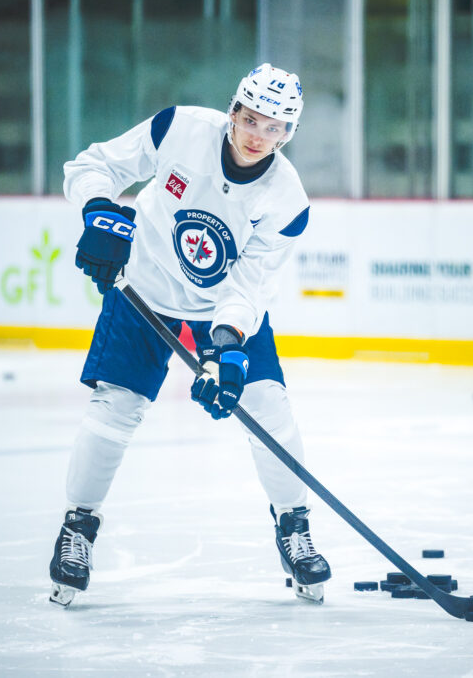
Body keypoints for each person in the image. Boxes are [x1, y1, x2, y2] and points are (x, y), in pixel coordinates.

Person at [48, 63, 331, 607]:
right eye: (251, 119)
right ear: (233, 110)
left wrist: (226, 348)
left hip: (221, 310)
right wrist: (99, 212)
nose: (258, 135)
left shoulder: (287, 201)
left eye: (274, 127)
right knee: (115, 406)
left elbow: (248, 287)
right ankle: (77, 528)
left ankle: (293, 526)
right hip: (144, 286)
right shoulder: (178, 128)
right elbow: (93, 166)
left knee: (267, 405)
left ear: (288, 133)